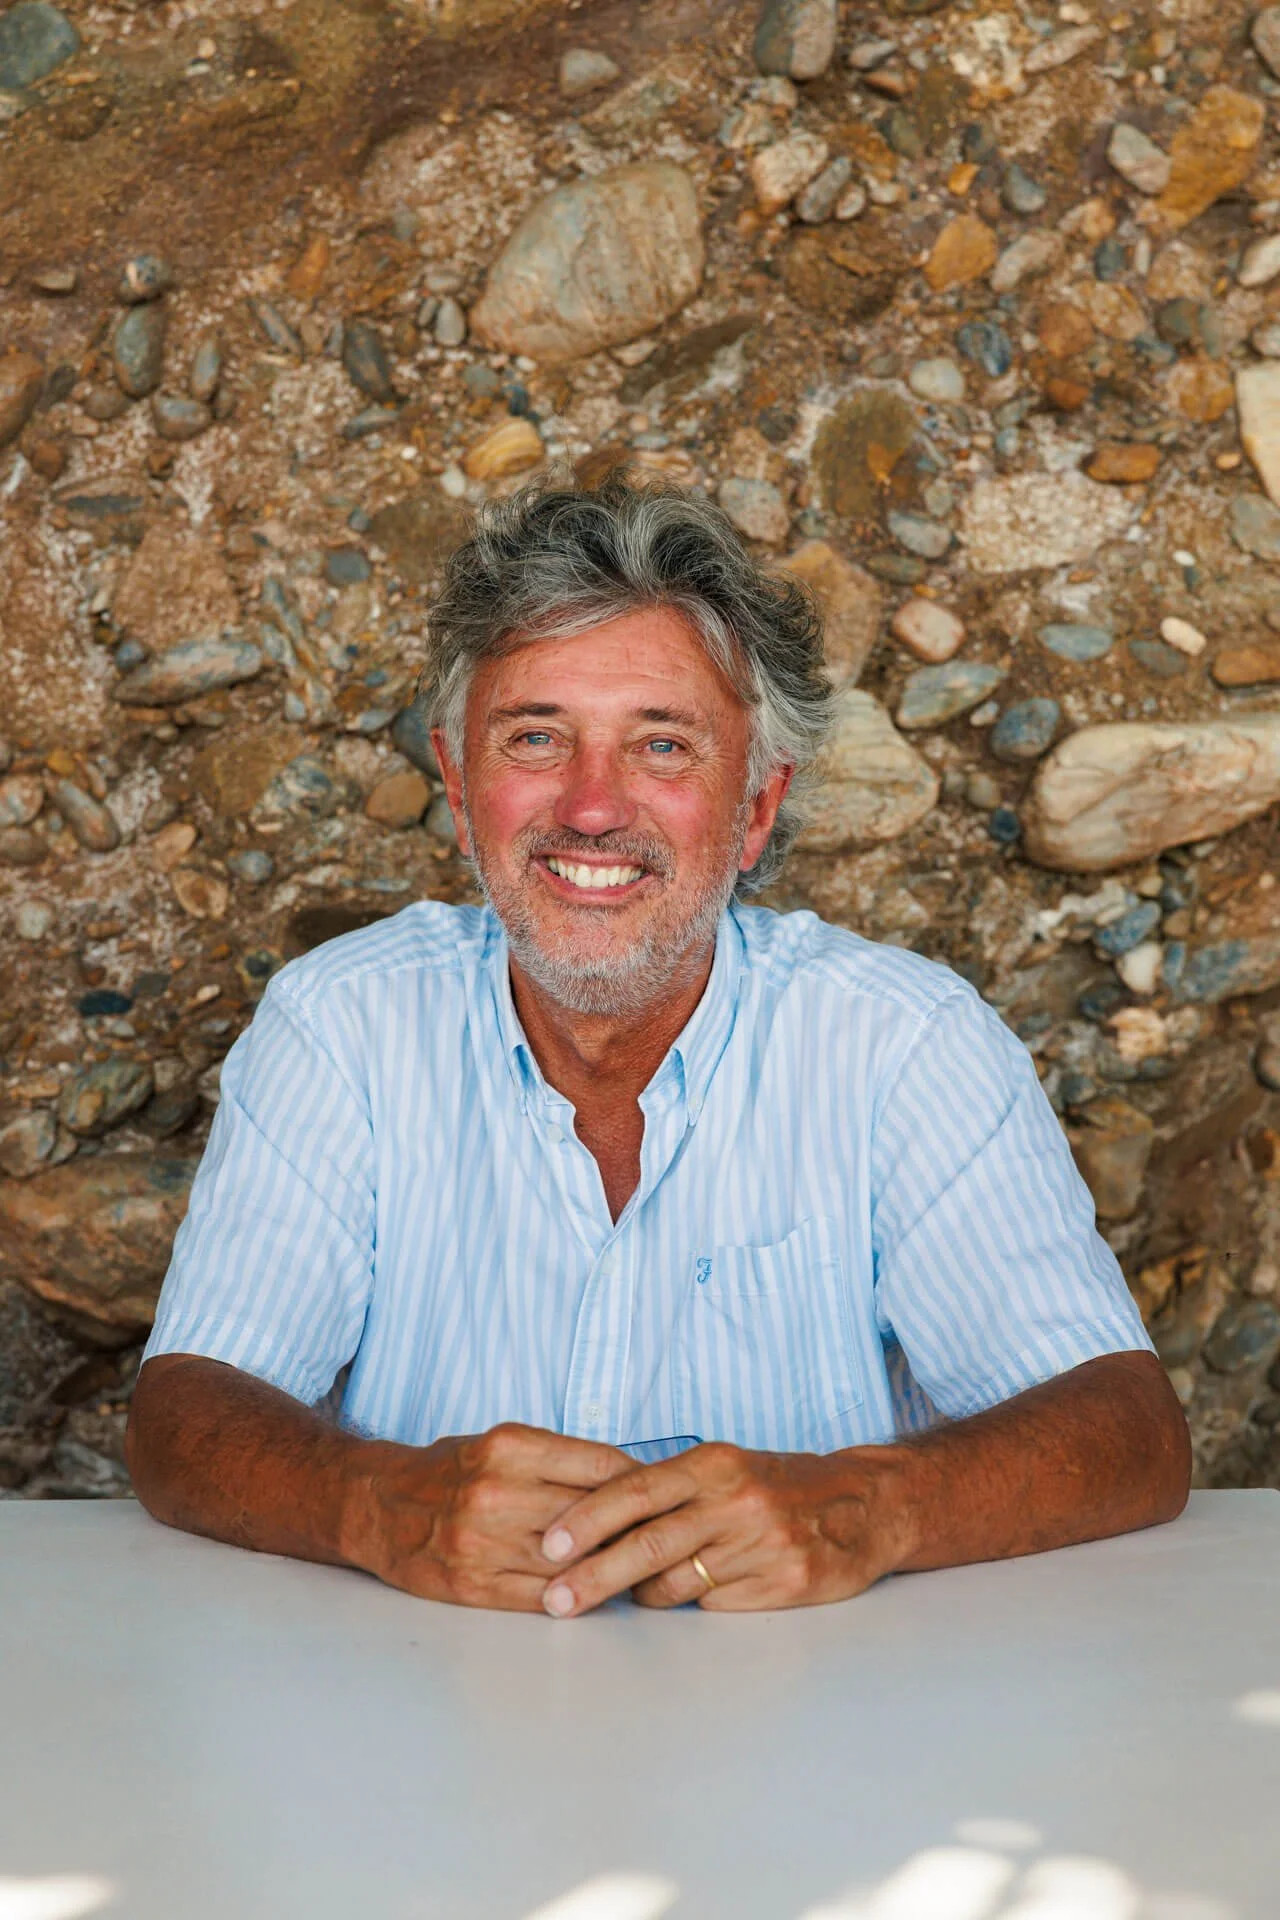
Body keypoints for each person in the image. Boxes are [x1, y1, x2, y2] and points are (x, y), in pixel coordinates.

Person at [126, 478, 1190, 1617]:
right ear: (457, 781)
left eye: (662, 747)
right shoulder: (342, 1025)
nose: (591, 808)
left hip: (826, 1737)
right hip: (421, 1725)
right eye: (535, 737)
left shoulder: (903, 1045)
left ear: (755, 808)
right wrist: (376, 1501)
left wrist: (864, 1505)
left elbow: (1126, 1433)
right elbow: (187, 1409)